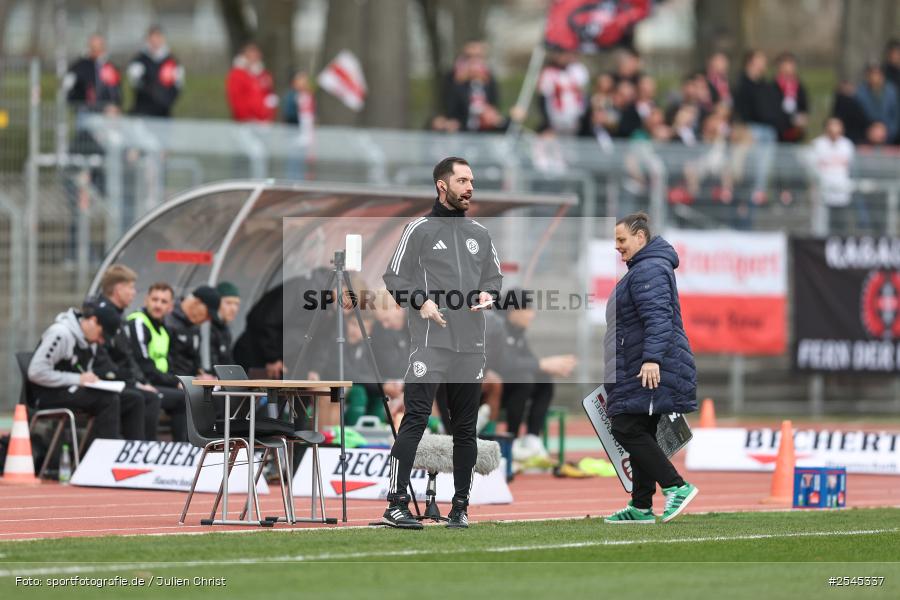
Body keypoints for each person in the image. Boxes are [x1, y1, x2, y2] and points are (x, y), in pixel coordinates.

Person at [381, 156, 503, 529]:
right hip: (431, 343)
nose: (470, 187)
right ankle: (396, 504)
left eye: (472, 181)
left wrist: (487, 294)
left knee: (465, 427)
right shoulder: (418, 229)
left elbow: (494, 278)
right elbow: (394, 278)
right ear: (442, 185)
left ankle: (460, 507)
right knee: (415, 418)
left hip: (471, 347)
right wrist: (422, 301)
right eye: (463, 180)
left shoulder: (480, 234)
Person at [603, 212, 698, 524]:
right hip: (637, 363)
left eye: (622, 240)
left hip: (648, 365)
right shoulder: (645, 268)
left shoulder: (648, 269)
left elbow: (658, 317)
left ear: (640, 237)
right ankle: (642, 506)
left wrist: (651, 359)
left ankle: (677, 487)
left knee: (626, 428)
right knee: (640, 429)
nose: (617, 247)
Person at [28, 302, 144, 446]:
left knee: (134, 398)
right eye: (102, 335)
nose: (101, 341)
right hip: (48, 394)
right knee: (108, 400)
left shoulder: (90, 341)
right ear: (93, 321)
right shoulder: (61, 333)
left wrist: (90, 378)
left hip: (73, 389)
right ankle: (104, 458)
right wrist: (78, 379)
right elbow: (35, 372)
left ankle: (134, 454)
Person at [495, 289, 576, 462]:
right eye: (528, 309)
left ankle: (532, 438)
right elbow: (503, 363)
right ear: (514, 310)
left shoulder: (518, 331)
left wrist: (550, 367)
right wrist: (542, 364)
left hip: (510, 389)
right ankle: (513, 440)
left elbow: (529, 360)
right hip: (488, 390)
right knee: (523, 379)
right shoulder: (497, 326)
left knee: (544, 379)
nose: (532, 315)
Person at [90, 264, 162, 441]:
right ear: (118, 289)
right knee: (143, 398)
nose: (134, 292)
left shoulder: (118, 315)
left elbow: (126, 356)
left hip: (121, 379)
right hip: (105, 381)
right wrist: (134, 383)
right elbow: (104, 358)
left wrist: (140, 381)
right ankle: (139, 452)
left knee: (150, 396)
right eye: (130, 287)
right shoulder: (103, 314)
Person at [128, 282, 189, 441]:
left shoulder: (164, 330)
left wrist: (180, 380)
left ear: (170, 307)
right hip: (143, 382)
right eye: (155, 299)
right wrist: (174, 382)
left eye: (163, 301)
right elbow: (144, 364)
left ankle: (185, 449)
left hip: (158, 382)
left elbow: (169, 364)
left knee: (192, 396)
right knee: (183, 398)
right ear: (146, 300)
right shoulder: (138, 322)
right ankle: (172, 448)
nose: (158, 305)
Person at [809, 118, 860, 232]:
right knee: (821, 227)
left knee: (841, 226)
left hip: (842, 192)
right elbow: (812, 170)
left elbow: (852, 168)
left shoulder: (847, 145)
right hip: (822, 194)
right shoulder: (817, 144)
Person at [126, 25, 183, 117]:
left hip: (164, 112)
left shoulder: (172, 62)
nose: (155, 41)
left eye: (158, 37)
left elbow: (177, 86)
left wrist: (165, 100)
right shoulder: (139, 61)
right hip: (143, 111)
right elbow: (137, 83)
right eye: (152, 38)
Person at [165, 286, 220, 378]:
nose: (207, 319)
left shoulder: (195, 328)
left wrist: (202, 374)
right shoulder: (167, 319)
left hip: (189, 381)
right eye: (208, 313)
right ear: (197, 302)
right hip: (173, 381)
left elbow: (195, 361)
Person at [63, 33, 122, 115]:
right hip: (86, 111)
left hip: (107, 112)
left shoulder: (109, 67)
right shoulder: (79, 66)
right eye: (94, 47)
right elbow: (68, 87)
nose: (97, 50)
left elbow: (116, 90)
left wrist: (115, 105)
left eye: (99, 46)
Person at [226, 42, 278, 122]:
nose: (254, 58)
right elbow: (236, 98)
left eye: (256, 55)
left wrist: (268, 114)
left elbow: (270, 96)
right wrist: (246, 117)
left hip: (264, 121)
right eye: (251, 55)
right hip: (245, 121)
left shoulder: (263, 75)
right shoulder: (237, 75)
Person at [855, 62, 900, 144]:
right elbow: (858, 116)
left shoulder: (892, 92)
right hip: (866, 134)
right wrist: (871, 130)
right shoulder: (860, 93)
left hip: (889, 135)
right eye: (872, 74)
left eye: (877, 74)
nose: (874, 77)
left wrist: (887, 131)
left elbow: (895, 115)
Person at [209, 281, 240, 369]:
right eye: (228, 303)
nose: (233, 309)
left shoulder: (225, 330)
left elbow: (228, 362)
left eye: (237, 304)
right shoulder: (206, 328)